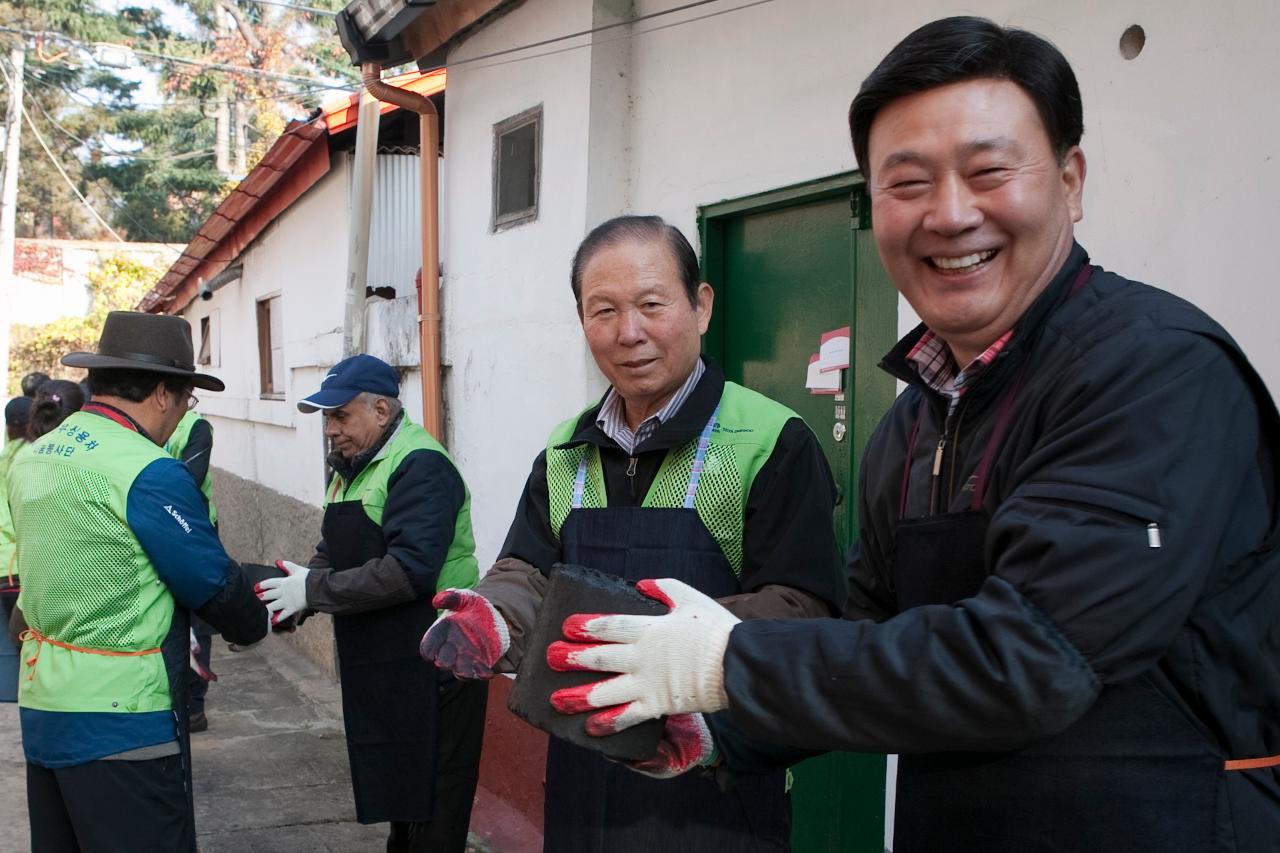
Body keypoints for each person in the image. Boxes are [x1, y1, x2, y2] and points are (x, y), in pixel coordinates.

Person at [545, 17, 1280, 853]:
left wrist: (725, 662)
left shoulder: (1154, 372)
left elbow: (1031, 657)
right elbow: (864, 646)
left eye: (988, 170)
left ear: (1071, 181)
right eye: (908, 183)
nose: (951, 214)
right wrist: (720, 733)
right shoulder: (913, 423)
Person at [420, 215, 846, 852]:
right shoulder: (565, 449)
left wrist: (672, 668)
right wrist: (496, 615)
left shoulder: (772, 442)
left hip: (714, 780)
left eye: (652, 304)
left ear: (700, 307)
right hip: (581, 776)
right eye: (604, 311)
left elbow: (805, 611)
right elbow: (528, 570)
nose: (629, 333)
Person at [7, 311, 268, 852]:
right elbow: (211, 581)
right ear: (160, 394)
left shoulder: (35, 457)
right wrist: (257, 616)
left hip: (44, 707)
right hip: (122, 720)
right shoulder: (145, 469)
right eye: (185, 400)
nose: (179, 416)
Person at [255, 354, 487, 853]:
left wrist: (314, 590)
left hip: (440, 662)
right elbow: (333, 549)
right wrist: (299, 596)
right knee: (401, 801)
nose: (329, 431)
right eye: (326, 419)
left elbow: (409, 571)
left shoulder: (422, 466)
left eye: (340, 416)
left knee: (434, 809)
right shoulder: (353, 469)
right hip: (387, 662)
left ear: (381, 411)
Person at [164, 407, 219, 732]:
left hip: (195, 533)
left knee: (199, 619)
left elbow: (189, 479)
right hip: (159, 530)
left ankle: (194, 707)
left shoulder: (196, 427)